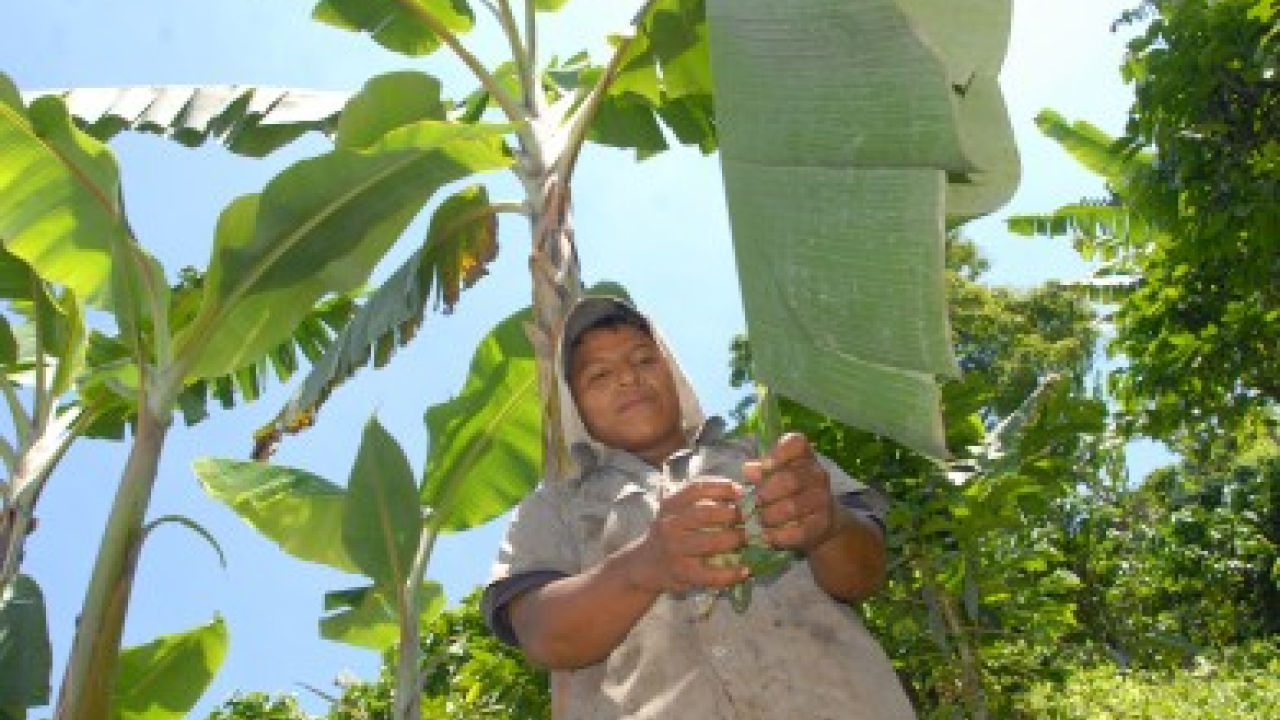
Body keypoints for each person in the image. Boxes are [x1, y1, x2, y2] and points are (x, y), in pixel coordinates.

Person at [482, 295, 916, 720]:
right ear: (576, 407)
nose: (628, 378)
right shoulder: (553, 508)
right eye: (598, 375)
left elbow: (863, 575)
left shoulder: (769, 458)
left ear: (673, 374)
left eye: (643, 360)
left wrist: (831, 526)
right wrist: (641, 567)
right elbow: (543, 635)